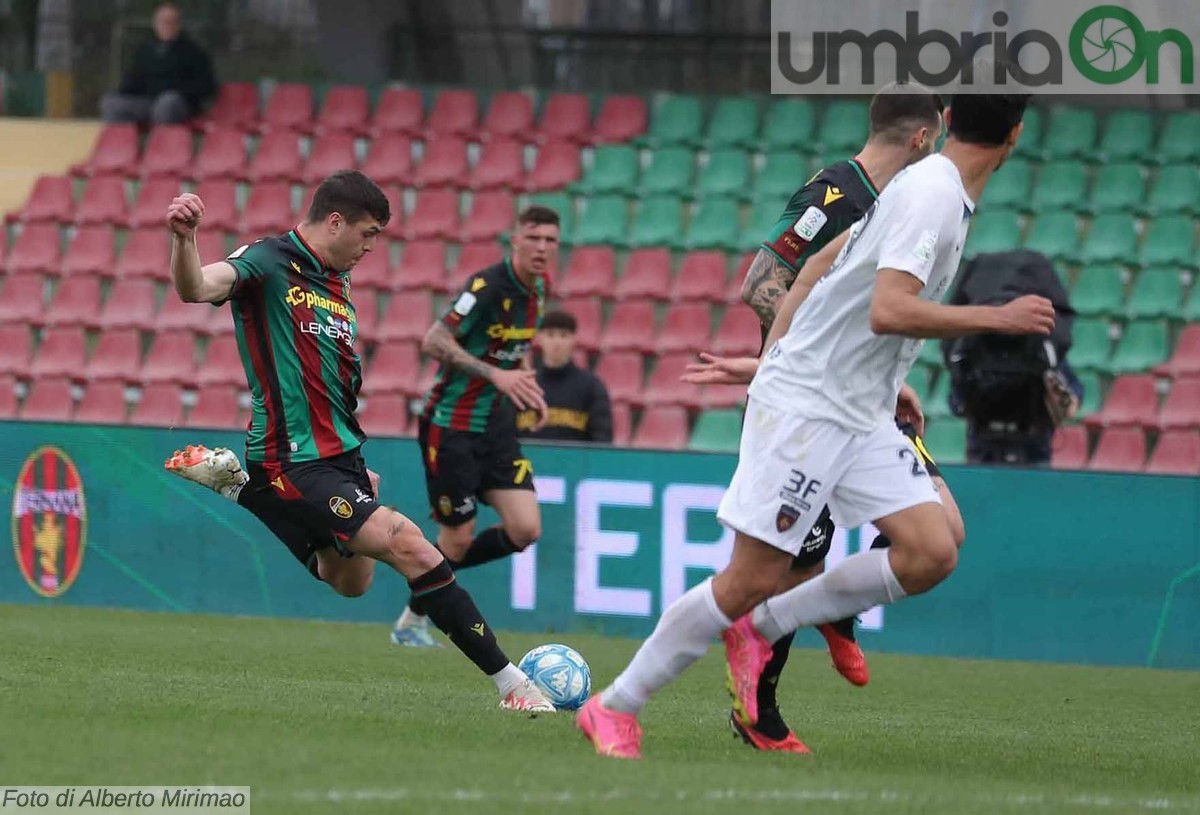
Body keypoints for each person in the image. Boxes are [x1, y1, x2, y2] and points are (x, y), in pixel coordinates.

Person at [578, 91, 1052, 759]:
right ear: (1018, 134)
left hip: (855, 403)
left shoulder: (922, 186)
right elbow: (889, 308)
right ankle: (613, 705)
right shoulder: (934, 195)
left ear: (948, 120)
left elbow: (819, 277)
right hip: (812, 407)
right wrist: (997, 318)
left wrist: (778, 363)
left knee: (933, 548)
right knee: (746, 577)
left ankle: (764, 627)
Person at [161, 170, 554, 713]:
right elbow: (195, 288)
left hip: (342, 455)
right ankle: (513, 684)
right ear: (336, 221)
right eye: (367, 234)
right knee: (410, 543)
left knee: (349, 580)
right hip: (293, 457)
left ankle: (244, 490)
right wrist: (185, 239)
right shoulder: (269, 260)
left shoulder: (335, 279)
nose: (371, 247)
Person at [689, 83, 952, 752]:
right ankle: (760, 715)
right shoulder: (837, 193)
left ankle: (844, 606)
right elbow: (762, 282)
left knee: (940, 524)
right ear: (922, 137)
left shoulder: (901, 202)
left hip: (863, 402)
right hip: (804, 404)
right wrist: (814, 363)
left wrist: (887, 376)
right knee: (789, 568)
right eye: (938, 139)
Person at [390, 206, 558, 647]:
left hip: (496, 425)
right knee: (458, 542)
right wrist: (495, 375)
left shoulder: (539, 289)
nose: (542, 247)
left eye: (550, 240)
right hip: (451, 427)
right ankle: (413, 619)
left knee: (525, 530)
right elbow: (434, 340)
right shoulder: (485, 287)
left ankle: (419, 601)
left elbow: (513, 347)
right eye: (534, 237)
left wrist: (526, 385)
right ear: (515, 240)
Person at [942, 249, 1084, 464]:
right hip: (1025, 441)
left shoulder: (971, 345)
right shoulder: (1043, 346)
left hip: (991, 443)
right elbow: (1073, 401)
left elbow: (956, 403)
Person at [100, 3, 217, 126]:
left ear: (178, 25)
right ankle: (124, 143)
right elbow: (134, 79)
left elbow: (207, 86)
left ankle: (161, 142)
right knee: (110, 103)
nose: (167, 26)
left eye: (171, 22)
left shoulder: (193, 52)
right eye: (163, 22)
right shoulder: (145, 50)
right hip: (148, 102)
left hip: (179, 104)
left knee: (167, 102)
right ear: (155, 24)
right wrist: (123, 92)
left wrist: (175, 89)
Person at [516, 309, 614, 444]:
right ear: (539, 338)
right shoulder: (523, 386)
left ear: (574, 339)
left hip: (576, 464)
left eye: (564, 336)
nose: (557, 342)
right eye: (550, 335)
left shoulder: (591, 387)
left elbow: (602, 441)